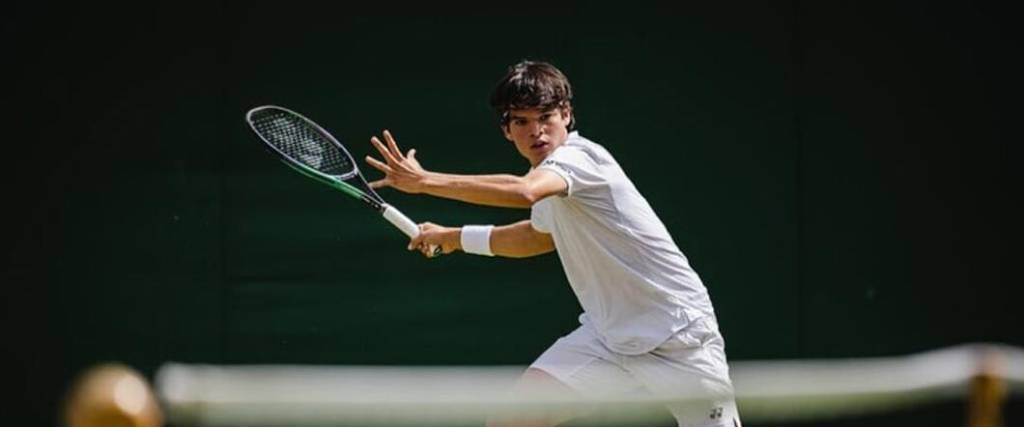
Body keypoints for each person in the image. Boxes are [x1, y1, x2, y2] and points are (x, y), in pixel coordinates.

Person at [365, 60, 741, 427]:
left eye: (546, 117)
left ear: (566, 116)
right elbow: (536, 237)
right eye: (522, 121)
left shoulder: (580, 158)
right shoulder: (547, 178)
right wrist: (454, 237)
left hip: (678, 335)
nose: (536, 131)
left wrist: (426, 181)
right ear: (507, 131)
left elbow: (526, 192)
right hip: (608, 337)